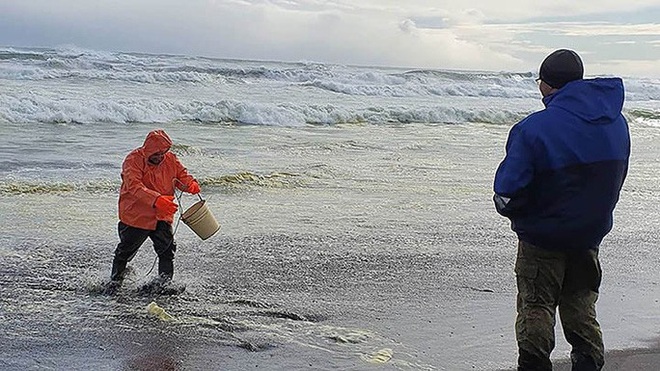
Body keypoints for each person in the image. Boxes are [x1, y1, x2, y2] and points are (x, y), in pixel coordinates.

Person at [493, 49, 630, 371]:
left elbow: (507, 191)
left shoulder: (534, 128)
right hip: (589, 232)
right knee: (581, 302)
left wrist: (522, 217)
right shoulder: (616, 122)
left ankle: (533, 364)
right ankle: (589, 362)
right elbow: (616, 177)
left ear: (546, 85)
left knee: (536, 305)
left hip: (543, 235)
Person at [107, 129, 201, 292]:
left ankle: (164, 284)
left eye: (163, 152)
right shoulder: (133, 160)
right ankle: (115, 283)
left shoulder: (170, 159)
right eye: (157, 153)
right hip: (136, 216)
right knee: (125, 251)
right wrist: (156, 199)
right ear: (148, 150)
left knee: (167, 249)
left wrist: (190, 184)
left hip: (162, 215)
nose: (160, 156)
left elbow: (181, 176)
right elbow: (134, 186)